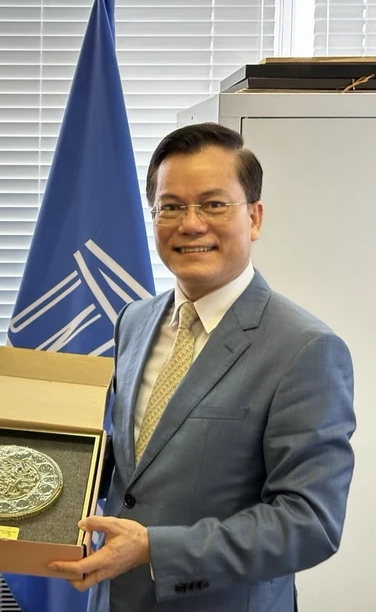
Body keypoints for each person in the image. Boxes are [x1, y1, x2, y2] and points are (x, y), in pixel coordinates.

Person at [50, 123, 355, 611]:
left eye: (213, 204)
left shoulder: (306, 349)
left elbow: (309, 522)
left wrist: (156, 550)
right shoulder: (134, 320)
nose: (190, 224)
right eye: (170, 207)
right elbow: (136, 462)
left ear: (254, 217)